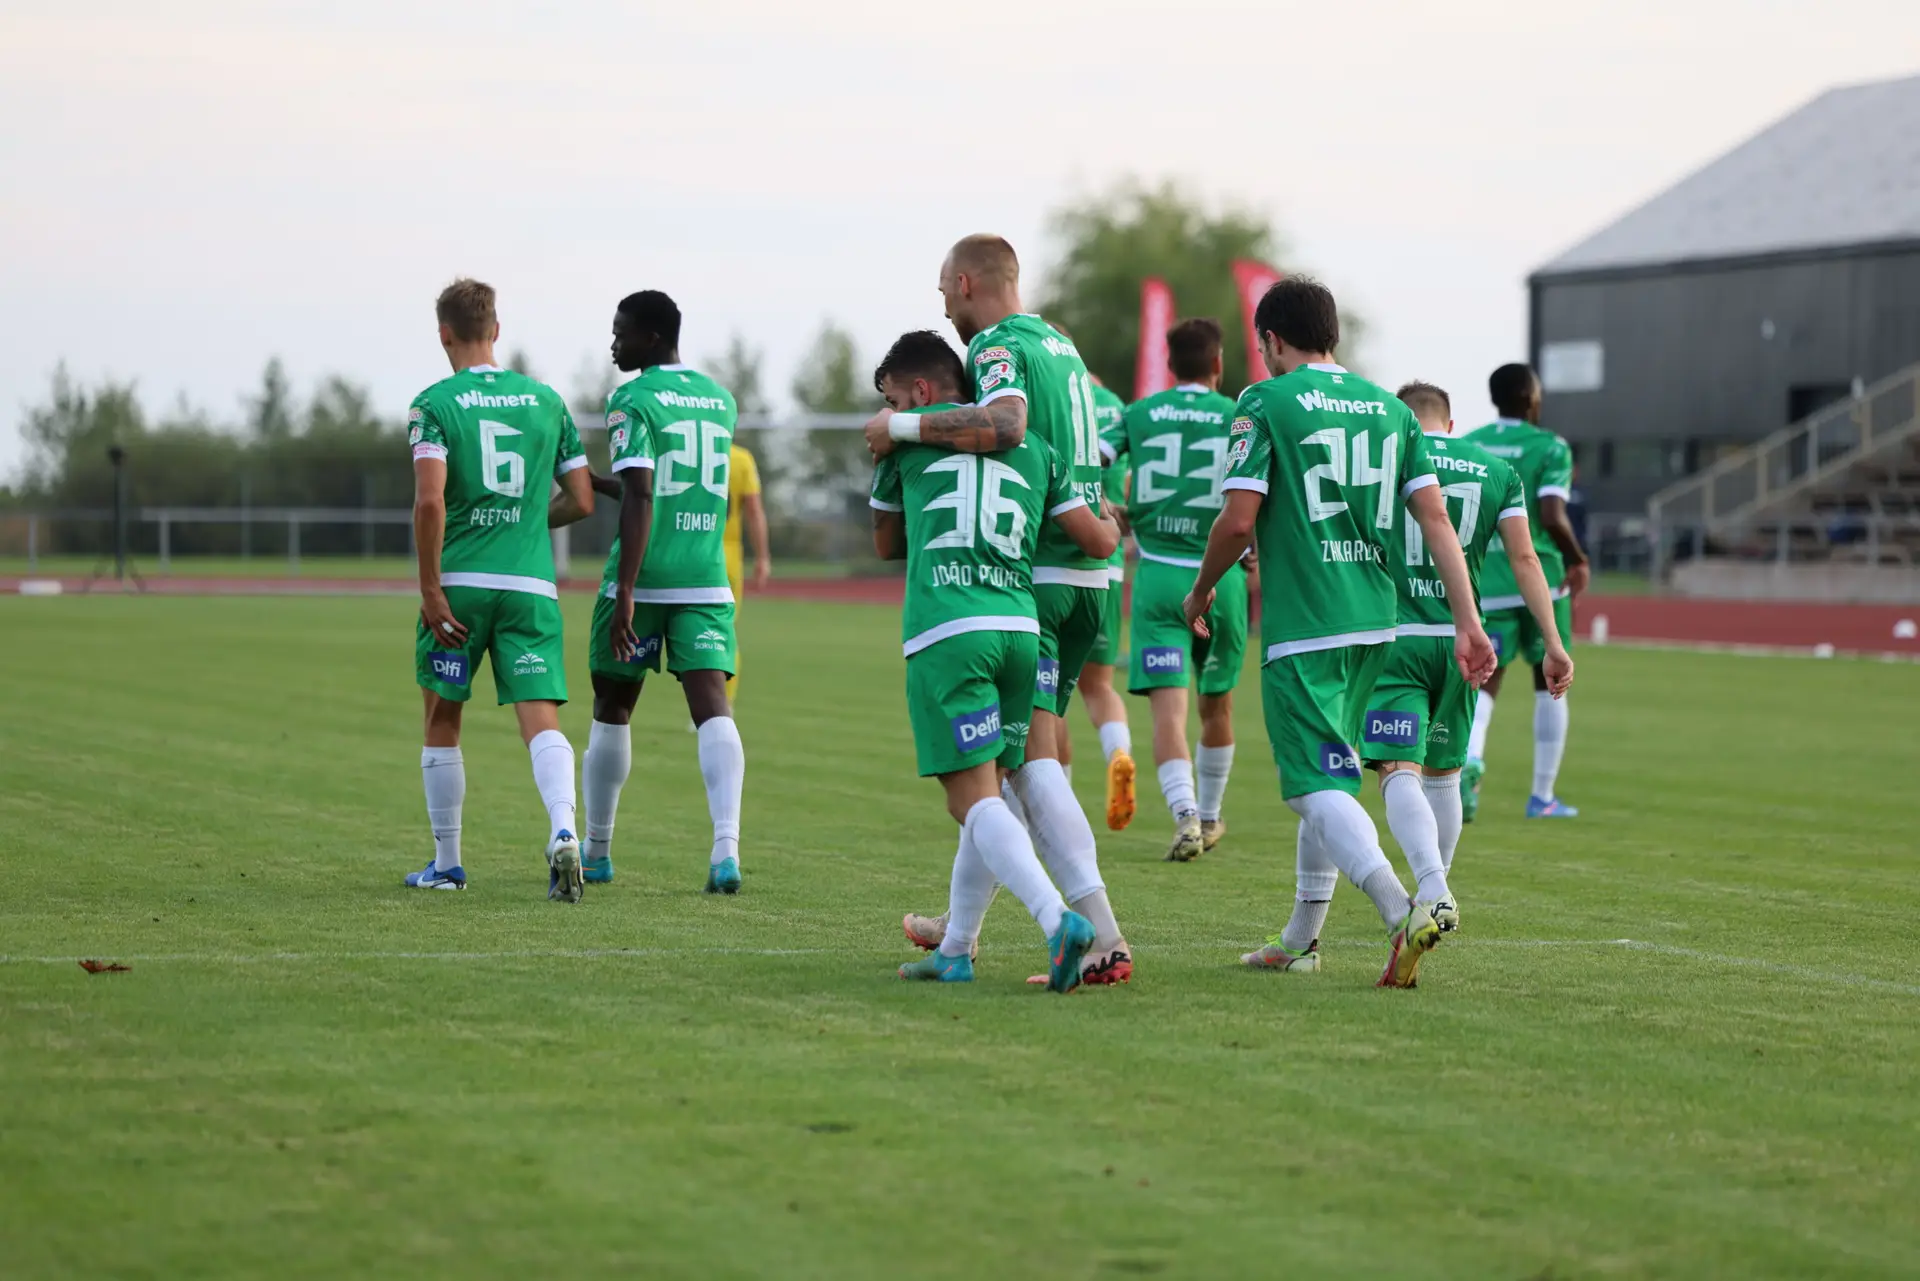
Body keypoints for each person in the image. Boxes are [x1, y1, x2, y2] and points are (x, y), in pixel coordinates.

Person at [1180, 276, 1496, 987]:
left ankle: (1398, 909)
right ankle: (1300, 937)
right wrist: (1467, 621)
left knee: (1312, 787)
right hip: (1377, 624)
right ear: (1335, 337)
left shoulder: (1264, 400)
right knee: (1332, 772)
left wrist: (1201, 589)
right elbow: (1435, 519)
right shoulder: (1391, 410)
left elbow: (1236, 520)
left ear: (1271, 341)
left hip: (1307, 624)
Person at [867, 233, 1133, 987]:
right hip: (1088, 567)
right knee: (1005, 764)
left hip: (1026, 574)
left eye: (944, 293)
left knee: (1024, 768)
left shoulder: (996, 345)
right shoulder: (1065, 346)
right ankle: (960, 937)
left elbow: (1007, 426)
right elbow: (1060, 455)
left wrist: (899, 428)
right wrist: (1110, 524)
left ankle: (1096, 935)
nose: (944, 309)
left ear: (964, 282)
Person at [403, 278, 595, 899]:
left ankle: (448, 865)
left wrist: (431, 587)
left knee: (442, 716)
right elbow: (584, 499)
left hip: (460, 583)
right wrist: (520, 523)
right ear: (497, 330)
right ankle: (565, 830)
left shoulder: (433, 404)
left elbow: (430, 500)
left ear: (444, 335)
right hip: (531, 586)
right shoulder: (547, 401)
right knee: (540, 719)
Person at [1362, 381, 1573, 934]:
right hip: (1463, 636)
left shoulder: (1389, 456)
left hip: (1396, 636)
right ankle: (1442, 887)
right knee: (1444, 775)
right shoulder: (1495, 471)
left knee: (1395, 767)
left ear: (1402, 420)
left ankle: (1432, 887)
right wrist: (1553, 643)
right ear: (1450, 424)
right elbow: (1526, 557)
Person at [578, 290, 747, 893]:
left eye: (621, 332)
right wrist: (599, 483)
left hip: (645, 577)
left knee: (613, 706)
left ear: (651, 337)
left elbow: (647, 494)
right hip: (704, 577)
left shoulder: (631, 399)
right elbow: (660, 489)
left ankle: (597, 852)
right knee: (712, 707)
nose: (614, 344)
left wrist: (625, 588)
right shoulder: (719, 399)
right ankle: (725, 851)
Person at [1108, 319, 1244, 862]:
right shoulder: (1240, 415)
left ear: (1170, 365)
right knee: (1219, 708)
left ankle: (1185, 816)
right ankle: (1209, 816)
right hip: (1222, 577)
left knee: (1168, 713)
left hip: (1160, 574)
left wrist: (1110, 508)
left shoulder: (1138, 415)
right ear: (1217, 364)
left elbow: (1089, 462)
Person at [1461, 364, 1590, 820]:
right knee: (1549, 681)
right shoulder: (1550, 446)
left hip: (1486, 578)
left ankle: (1470, 761)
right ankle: (1542, 797)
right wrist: (1577, 558)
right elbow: (1552, 514)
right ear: (1532, 399)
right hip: (1539, 580)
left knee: (1484, 682)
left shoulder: (1470, 443)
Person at [1078, 374, 1137, 831]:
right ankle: (1118, 753)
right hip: (1109, 563)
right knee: (1099, 685)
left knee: (1046, 696)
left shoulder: (1046, 396)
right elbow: (1132, 481)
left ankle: (1050, 798)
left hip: (1057, 563)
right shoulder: (1116, 405)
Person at [723, 440, 773, 702]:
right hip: (727, 554)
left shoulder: (689, 450)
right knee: (723, 633)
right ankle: (721, 706)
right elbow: (753, 510)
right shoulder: (741, 459)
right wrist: (762, 556)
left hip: (688, 548)